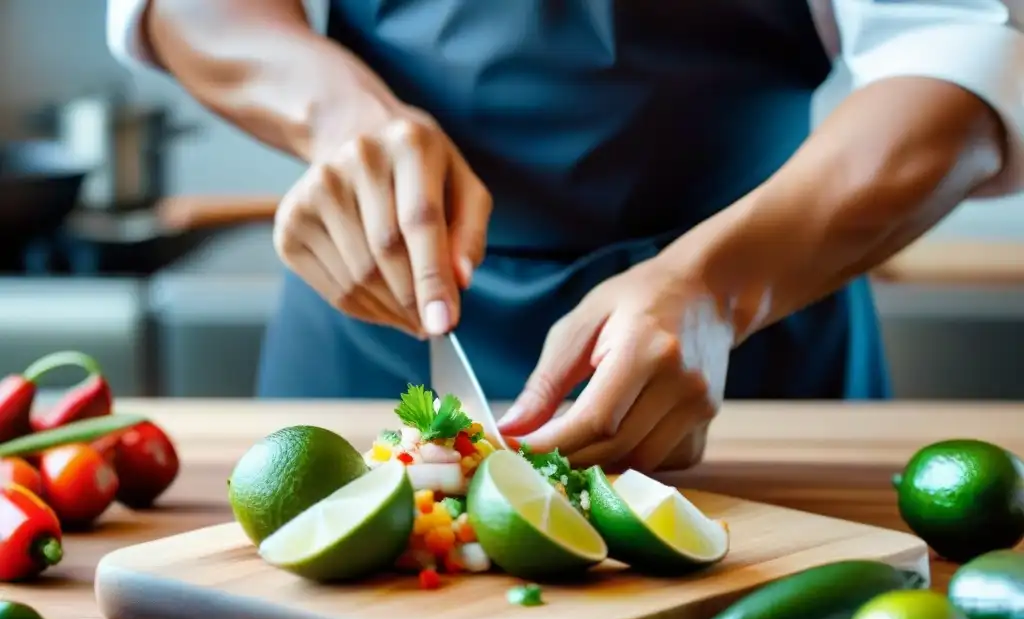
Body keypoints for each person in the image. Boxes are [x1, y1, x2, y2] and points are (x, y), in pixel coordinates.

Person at [108, 0, 1023, 472]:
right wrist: (345, 123)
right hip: (374, 327)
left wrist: (718, 286)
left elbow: (960, 59)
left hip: (754, 338)